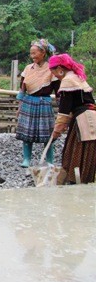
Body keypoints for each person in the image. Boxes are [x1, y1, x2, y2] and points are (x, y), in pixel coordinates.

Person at [49, 54, 96, 184]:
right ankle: (86, 181)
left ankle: (74, 182)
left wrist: (56, 131)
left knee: (74, 152)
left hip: (82, 120)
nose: (54, 76)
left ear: (59, 68)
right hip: (92, 117)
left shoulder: (68, 81)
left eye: (53, 72)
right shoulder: (77, 77)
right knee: (89, 153)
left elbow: (64, 111)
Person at [16, 39, 59, 167]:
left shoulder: (51, 70)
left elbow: (58, 91)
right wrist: (19, 107)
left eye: (35, 53)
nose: (32, 56)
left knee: (47, 133)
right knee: (27, 133)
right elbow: (22, 89)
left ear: (43, 53)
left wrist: (63, 109)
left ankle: (50, 161)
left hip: (44, 103)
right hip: (28, 102)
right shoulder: (28, 68)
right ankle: (27, 159)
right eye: (31, 54)